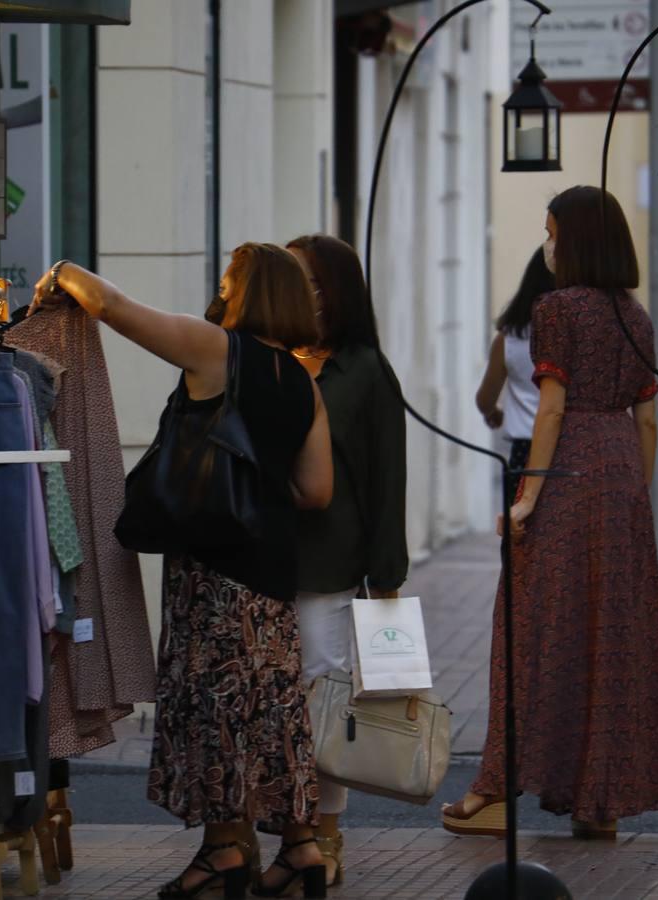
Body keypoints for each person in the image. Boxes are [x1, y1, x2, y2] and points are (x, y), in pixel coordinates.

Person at [31, 244, 334, 900]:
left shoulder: (214, 349)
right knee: (273, 705)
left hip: (213, 567)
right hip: (273, 572)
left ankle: (224, 850)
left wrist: (58, 275)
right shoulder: (301, 380)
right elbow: (316, 489)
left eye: (229, 280)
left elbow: (110, 305)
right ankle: (302, 844)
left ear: (245, 291)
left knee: (214, 706)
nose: (220, 289)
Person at [440, 185, 658, 839]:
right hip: (623, 480)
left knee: (527, 631)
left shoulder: (557, 309)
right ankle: (598, 803)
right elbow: (647, 420)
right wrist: (636, 492)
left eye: (551, 231)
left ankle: (497, 789)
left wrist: (527, 497)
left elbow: (550, 408)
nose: (547, 244)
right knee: (610, 639)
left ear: (570, 240)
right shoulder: (635, 316)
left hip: (569, 471)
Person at [265, 233, 407, 890]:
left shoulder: (367, 372)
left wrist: (387, 580)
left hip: (330, 567)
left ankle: (326, 830)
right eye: (295, 283)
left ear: (340, 292)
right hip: (260, 562)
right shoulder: (262, 362)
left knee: (323, 702)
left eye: (316, 284)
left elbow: (387, 481)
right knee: (269, 703)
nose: (306, 298)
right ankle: (282, 830)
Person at [475, 246, 556, 473]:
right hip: (571, 450)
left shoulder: (509, 338)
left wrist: (493, 412)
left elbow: (485, 399)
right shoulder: (579, 335)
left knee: (521, 507)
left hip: (525, 452)